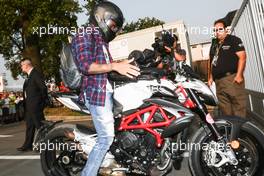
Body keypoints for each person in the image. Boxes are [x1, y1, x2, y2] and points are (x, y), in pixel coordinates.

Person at [69, 1, 140, 176]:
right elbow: (86, 66)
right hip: (95, 92)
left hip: (105, 91)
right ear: (102, 17)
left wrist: (120, 64)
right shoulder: (85, 33)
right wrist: (114, 66)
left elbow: (105, 66)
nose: (115, 30)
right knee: (106, 138)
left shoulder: (99, 38)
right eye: (113, 25)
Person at [208, 19, 247, 118]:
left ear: (226, 30)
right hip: (219, 82)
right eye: (215, 30)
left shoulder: (234, 40)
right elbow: (211, 61)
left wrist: (239, 75)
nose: (217, 32)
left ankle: (241, 132)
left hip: (232, 79)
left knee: (238, 109)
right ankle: (231, 132)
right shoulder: (214, 44)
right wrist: (210, 77)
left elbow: (242, 57)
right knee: (226, 111)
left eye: (220, 29)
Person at [17, 59, 48, 151]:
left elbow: (43, 88)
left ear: (26, 65)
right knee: (30, 126)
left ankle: (47, 144)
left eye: (21, 65)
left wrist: (41, 103)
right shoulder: (29, 76)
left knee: (41, 127)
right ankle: (27, 145)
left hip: (35, 106)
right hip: (29, 106)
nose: (21, 67)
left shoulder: (35, 74)